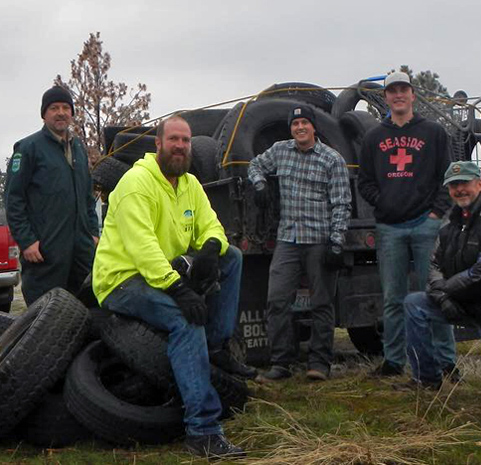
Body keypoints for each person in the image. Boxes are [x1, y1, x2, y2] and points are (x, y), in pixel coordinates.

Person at [92, 116, 249, 458]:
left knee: (232, 257)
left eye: (186, 140)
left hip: (163, 272)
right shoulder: (136, 183)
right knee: (185, 319)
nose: (180, 146)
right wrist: (178, 290)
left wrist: (209, 249)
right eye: (174, 139)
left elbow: (213, 226)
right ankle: (202, 431)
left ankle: (215, 348)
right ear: (158, 144)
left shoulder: (190, 184)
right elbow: (142, 247)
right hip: (124, 279)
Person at [358, 71, 455, 377]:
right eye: (392, 91)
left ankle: (446, 361)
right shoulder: (374, 136)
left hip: (427, 225)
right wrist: (384, 201)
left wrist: (437, 214)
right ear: (385, 97)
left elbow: (448, 176)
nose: (398, 95)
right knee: (393, 297)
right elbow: (365, 182)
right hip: (389, 227)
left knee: (437, 294)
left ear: (413, 94)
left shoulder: (434, 132)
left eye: (404, 90)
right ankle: (394, 360)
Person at [401, 161, 481, 398]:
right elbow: (434, 263)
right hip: (460, 301)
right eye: (454, 185)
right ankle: (426, 379)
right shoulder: (451, 220)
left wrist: (447, 291)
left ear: (479, 183)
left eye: (465, 183)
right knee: (414, 304)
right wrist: (441, 295)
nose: (460, 190)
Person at [248, 104, 351, 383]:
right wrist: (259, 184)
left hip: (320, 240)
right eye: (295, 124)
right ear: (291, 129)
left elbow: (342, 203)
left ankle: (319, 363)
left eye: (305, 123)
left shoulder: (332, 160)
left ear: (314, 127)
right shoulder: (281, 151)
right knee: (277, 300)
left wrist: (337, 242)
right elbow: (255, 164)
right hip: (288, 239)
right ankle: (281, 362)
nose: (300, 128)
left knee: (322, 304)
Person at [5, 85, 99, 305]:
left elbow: (87, 196)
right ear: (44, 114)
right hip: (44, 254)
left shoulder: (78, 149)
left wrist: (92, 233)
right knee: (45, 319)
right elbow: (13, 199)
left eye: (66, 107)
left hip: (81, 253)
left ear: (72, 113)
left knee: (87, 314)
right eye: (54, 108)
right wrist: (27, 242)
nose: (61, 112)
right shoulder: (28, 148)